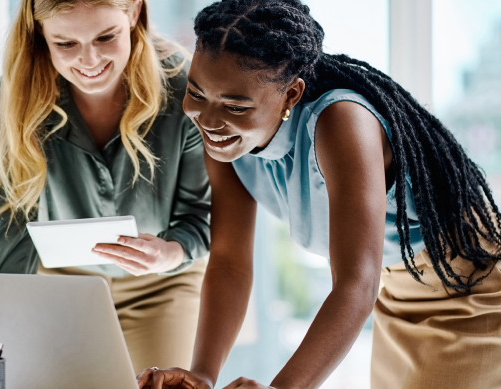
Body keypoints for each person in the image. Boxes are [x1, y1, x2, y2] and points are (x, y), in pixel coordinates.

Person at [136, 1, 501, 388]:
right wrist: (203, 374)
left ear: (291, 95)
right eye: (197, 92)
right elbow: (229, 263)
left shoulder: (341, 122)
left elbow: (355, 283)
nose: (208, 120)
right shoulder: (224, 141)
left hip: (468, 286)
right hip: (395, 287)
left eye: (235, 105)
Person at [0, 0, 211, 374]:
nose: (89, 61)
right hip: (62, 282)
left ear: (135, 12)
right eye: (66, 44)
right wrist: (7, 319)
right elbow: (11, 221)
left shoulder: (186, 89)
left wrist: (169, 252)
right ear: (41, 32)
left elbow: (199, 217)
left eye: (106, 36)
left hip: (162, 282)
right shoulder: (12, 100)